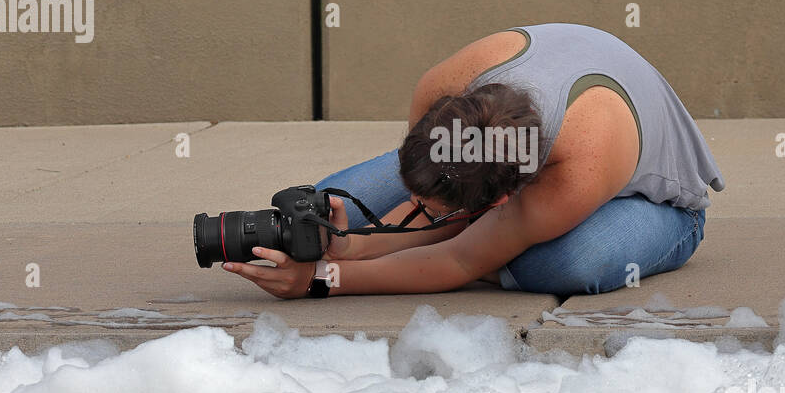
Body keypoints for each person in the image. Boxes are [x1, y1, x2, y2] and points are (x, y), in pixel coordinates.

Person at [222, 23, 725, 299]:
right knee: (328, 206)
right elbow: (441, 224)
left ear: (502, 199)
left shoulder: (580, 161)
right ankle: (488, 241)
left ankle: (503, 247)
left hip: (655, 203)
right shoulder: (443, 84)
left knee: (560, 263)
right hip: (496, 165)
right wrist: (350, 243)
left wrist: (323, 279)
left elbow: (458, 257)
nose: (412, 204)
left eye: (433, 206)